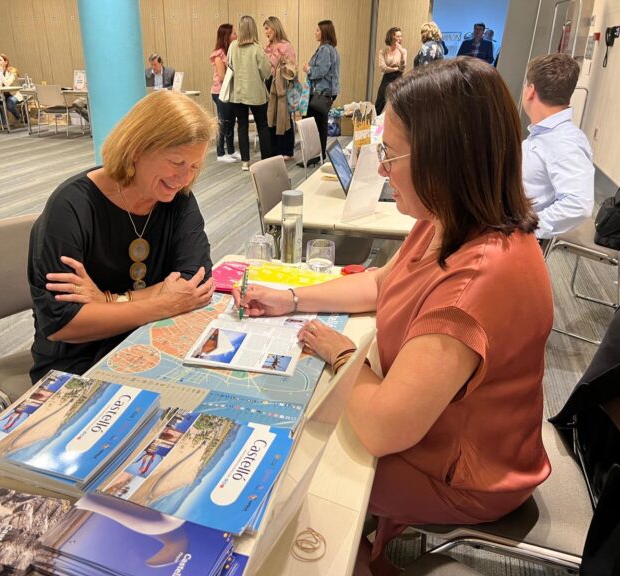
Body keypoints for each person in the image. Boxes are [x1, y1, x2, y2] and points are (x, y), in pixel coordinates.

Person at [234, 57, 552, 576]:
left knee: (297, 468)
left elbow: (383, 428)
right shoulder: (449, 219)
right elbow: (386, 284)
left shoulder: (480, 277)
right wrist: (293, 298)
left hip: (466, 474)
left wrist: (339, 352)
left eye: (389, 153)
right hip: (438, 434)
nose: (380, 169)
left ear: (443, 160)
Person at [28, 90, 216, 382]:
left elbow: (195, 283)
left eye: (194, 166)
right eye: (176, 162)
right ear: (137, 149)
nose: (185, 178)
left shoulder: (178, 199)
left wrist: (107, 302)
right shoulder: (71, 207)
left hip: (149, 342)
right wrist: (161, 303)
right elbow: (62, 322)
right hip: (78, 363)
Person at [521, 53, 594, 244]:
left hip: (521, 235)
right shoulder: (546, 134)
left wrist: (525, 228)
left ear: (530, 91)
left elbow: (578, 204)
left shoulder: (564, 141)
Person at [223, 15, 273, 171]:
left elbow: (229, 64)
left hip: (237, 94)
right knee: (262, 126)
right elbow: (266, 73)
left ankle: (245, 161)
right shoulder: (257, 49)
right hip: (256, 94)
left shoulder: (232, 46)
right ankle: (266, 159)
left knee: (242, 126)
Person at [302, 19, 340, 165]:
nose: (315, 32)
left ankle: (315, 156)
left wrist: (308, 70)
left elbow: (321, 71)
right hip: (325, 92)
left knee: (313, 124)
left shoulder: (325, 49)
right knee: (320, 124)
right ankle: (319, 155)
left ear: (324, 32)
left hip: (320, 92)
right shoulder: (332, 49)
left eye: (318, 30)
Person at [263, 16, 297, 160]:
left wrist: (282, 63)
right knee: (271, 116)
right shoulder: (267, 47)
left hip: (282, 85)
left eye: (267, 28)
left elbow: (292, 67)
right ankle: (273, 149)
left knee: (284, 116)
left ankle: (286, 150)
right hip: (269, 83)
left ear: (275, 28)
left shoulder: (286, 46)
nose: (265, 32)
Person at [210, 23, 239, 163]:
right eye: (234, 33)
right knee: (223, 122)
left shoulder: (230, 52)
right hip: (220, 92)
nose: (236, 36)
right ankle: (220, 153)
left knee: (231, 121)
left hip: (229, 92)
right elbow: (222, 77)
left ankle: (231, 150)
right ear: (227, 36)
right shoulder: (219, 55)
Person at [375, 27, 407, 116]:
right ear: (392, 37)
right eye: (398, 36)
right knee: (381, 101)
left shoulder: (403, 51)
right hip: (387, 78)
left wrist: (401, 54)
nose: (400, 38)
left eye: (401, 36)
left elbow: (402, 68)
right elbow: (382, 68)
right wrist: (396, 69)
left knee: (397, 102)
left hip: (399, 78)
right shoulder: (383, 51)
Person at [0, 54, 23, 126]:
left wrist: (0, 74)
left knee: (9, 104)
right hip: (3, 94)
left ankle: (19, 118)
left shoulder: (13, 71)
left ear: (6, 62)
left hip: (14, 94)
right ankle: (3, 124)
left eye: (0, 60)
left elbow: (8, 83)